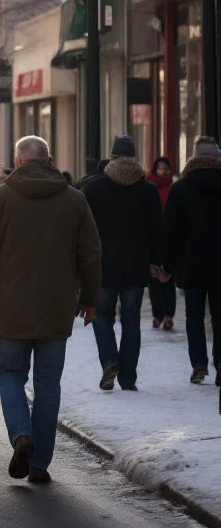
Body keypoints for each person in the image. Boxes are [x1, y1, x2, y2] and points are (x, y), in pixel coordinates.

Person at [0, 136, 101, 483]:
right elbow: (90, 253)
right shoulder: (74, 199)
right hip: (57, 307)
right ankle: (40, 462)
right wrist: (89, 299)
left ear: (17, 159)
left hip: (12, 303)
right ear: (48, 160)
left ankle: (21, 435)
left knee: (11, 375)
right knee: (48, 385)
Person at [83, 135, 165, 392]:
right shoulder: (148, 190)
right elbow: (157, 230)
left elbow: (85, 230)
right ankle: (128, 377)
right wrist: (157, 261)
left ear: (112, 156)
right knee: (131, 321)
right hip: (135, 265)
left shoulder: (94, 188)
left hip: (103, 265)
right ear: (135, 156)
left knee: (100, 315)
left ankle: (109, 360)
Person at [163, 137, 221, 385]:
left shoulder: (180, 189)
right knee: (220, 316)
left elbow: (171, 231)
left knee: (194, 316)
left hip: (191, 263)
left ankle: (199, 363)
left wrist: (166, 264)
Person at [147, 156, 176, 330]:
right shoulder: (149, 188)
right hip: (152, 238)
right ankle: (157, 314)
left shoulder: (174, 189)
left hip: (169, 238)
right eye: (160, 168)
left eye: (166, 168)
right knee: (154, 278)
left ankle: (168, 315)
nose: (163, 171)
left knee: (168, 277)